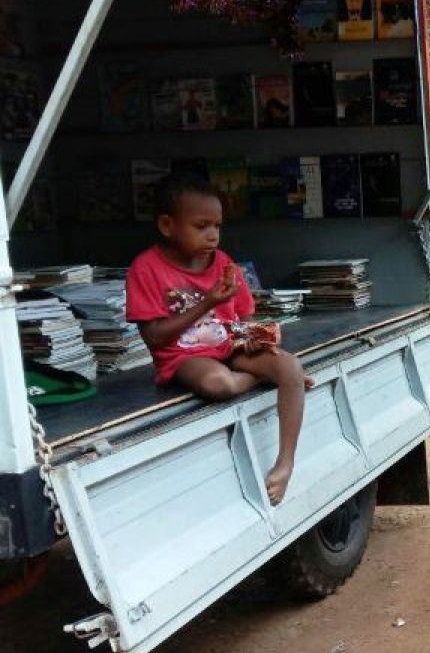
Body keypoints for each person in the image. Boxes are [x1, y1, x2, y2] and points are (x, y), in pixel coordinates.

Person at [125, 172, 309, 504]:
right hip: (184, 357)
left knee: (290, 366)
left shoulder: (224, 263)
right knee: (219, 386)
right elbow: (154, 337)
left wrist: (254, 336)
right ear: (167, 226)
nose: (213, 235)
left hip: (229, 345)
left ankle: (285, 463)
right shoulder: (146, 268)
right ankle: (265, 379)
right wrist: (208, 302)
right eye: (201, 226)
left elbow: (243, 318)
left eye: (218, 226)